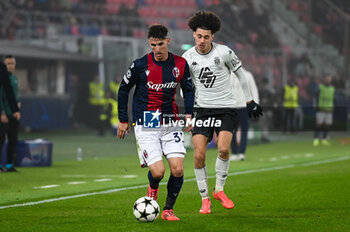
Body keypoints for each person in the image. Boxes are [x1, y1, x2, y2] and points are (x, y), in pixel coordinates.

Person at [182, 11, 262, 214]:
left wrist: (250, 100)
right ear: (194, 35)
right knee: (199, 155)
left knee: (224, 150)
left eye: (206, 37)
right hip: (201, 110)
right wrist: (189, 108)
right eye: (199, 36)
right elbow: (184, 85)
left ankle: (219, 189)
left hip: (226, 108)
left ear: (212, 37)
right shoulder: (187, 57)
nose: (202, 40)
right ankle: (205, 198)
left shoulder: (224, 52)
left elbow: (242, 76)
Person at [117, 25, 194, 221]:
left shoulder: (180, 64)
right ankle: (153, 188)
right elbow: (123, 89)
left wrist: (190, 114)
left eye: (160, 44)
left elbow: (189, 89)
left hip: (171, 122)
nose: (157, 49)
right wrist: (123, 120)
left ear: (168, 41)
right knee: (158, 172)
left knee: (177, 169)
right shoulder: (140, 65)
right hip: (147, 122)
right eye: (153, 45)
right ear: (149, 44)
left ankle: (168, 209)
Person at [230, 68, 259, 161]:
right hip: (233, 106)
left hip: (244, 106)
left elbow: (254, 90)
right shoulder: (229, 75)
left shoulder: (247, 75)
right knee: (231, 131)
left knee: (244, 130)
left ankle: (241, 153)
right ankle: (234, 152)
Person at [0, 56, 20, 172]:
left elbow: (14, 96)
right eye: (8, 63)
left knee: (13, 139)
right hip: (4, 113)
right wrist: (2, 112)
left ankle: (9, 165)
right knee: (1, 139)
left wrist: (17, 109)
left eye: (12, 63)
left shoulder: (14, 79)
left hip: (13, 113)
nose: (10, 65)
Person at [313, 74, 335, 146]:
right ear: (324, 79)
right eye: (327, 79)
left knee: (327, 124)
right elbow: (316, 96)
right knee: (319, 124)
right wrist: (315, 105)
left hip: (329, 108)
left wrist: (333, 107)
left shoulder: (332, 88)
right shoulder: (320, 87)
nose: (328, 80)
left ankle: (324, 139)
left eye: (329, 79)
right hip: (321, 108)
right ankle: (316, 138)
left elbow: (333, 99)